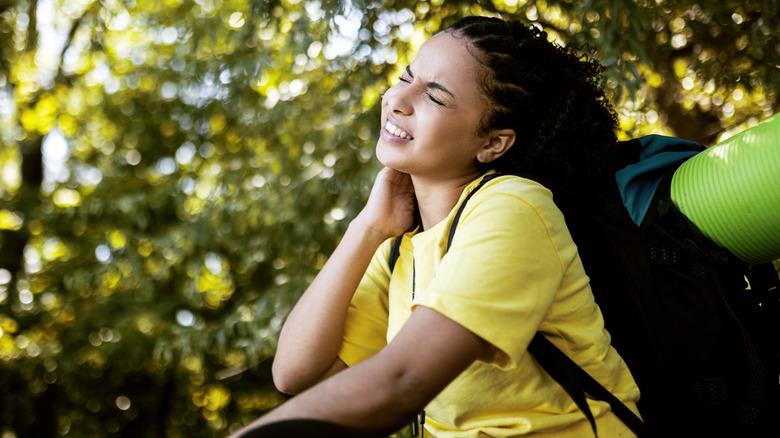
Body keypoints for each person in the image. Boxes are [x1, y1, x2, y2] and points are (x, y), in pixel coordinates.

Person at [231, 15, 640, 438]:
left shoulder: (513, 206)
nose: (397, 100)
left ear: (492, 143)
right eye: (406, 76)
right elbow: (296, 374)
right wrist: (366, 228)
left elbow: (400, 383)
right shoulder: (399, 247)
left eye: (435, 97)